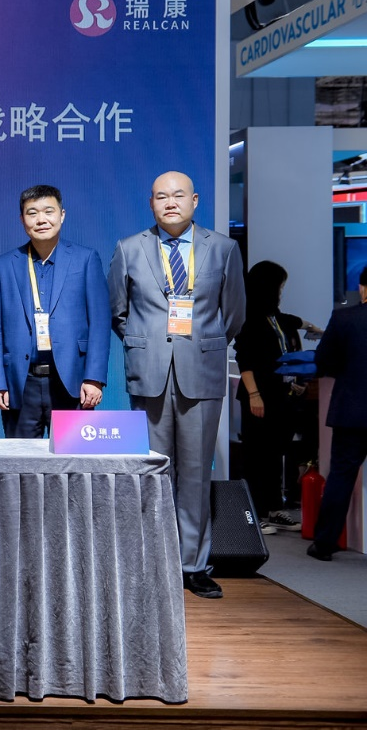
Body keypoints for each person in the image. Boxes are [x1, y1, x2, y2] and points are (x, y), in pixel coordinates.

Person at [108, 171, 245, 599]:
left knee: (196, 473)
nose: (170, 202)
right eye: (161, 196)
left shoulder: (222, 248)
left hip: (201, 371)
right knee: (152, 473)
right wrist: (149, 344)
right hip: (148, 373)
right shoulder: (129, 248)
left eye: (178, 195)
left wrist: (201, 344)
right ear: (151, 203)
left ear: (195, 200)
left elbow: (233, 313)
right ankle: (152, 563)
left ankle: (193, 565)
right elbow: (118, 312)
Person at [0, 185, 110, 437]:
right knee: (20, 460)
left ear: (62, 215)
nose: (41, 219)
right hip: (20, 383)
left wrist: (94, 378)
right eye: (32, 213)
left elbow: (100, 323)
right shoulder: (2, 267)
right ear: (22, 220)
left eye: (48, 211)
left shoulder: (85, 259)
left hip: (72, 381)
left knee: (73, 458)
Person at [234, 261, 320, 527]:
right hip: (258, 395)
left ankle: (272, 508)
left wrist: (311, 327)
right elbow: (245, 359)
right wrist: (254, 395)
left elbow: (293, 322)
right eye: (280, 286)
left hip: (279, 395)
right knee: (256, 455)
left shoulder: (275, 317)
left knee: (273, 454)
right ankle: (252, 513)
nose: (282, 291)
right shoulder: (250, 317)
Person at [308, 267, 367, 562]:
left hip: (352, 410)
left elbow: (323, 362)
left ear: (363, 288)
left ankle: (324, 544)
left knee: (341, 476)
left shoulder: (345, 318)